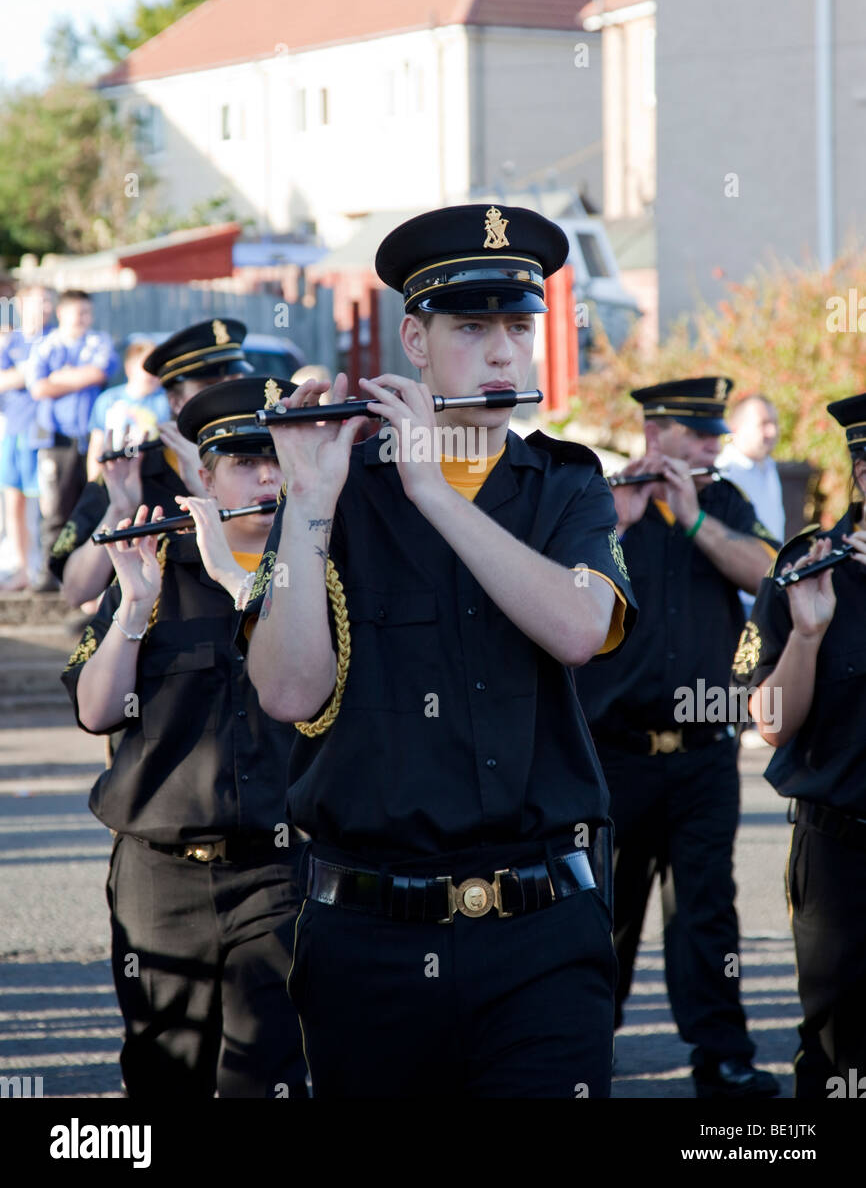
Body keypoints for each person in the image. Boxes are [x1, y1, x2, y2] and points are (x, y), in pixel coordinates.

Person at [242, 203, 637, 1100]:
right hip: (369, 941)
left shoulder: (569, 483)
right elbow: (286, 690)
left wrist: (435, 493)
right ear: (414, 341)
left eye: (517, 326)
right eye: (472, 328)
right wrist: (307, 504)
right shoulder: (334, 493)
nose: (503, 353)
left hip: (544, 935)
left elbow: (580, 629)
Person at [60, 375, 307, 1099]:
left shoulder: (319, 575)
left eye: (275, 456)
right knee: (164, 1072)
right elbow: (96, 711)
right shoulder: (153, 563)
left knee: (267, 1073)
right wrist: (134, 608)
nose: (265, 475)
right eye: (241, 459)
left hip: (280, 867)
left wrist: (245, 586)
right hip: (160, 873)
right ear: (204, 474)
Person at [575, 377, 781, 1099]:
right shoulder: (602, 496)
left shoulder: (720, 500)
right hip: (615, 753)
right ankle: (583, 1055)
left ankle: (721, 1056)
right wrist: (625, 521)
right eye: (699, 436)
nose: (712, 447)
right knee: (606, 914)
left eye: (716, 435)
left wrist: (693, 520)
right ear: (657, 433)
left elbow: (771, 576)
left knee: (707, 913)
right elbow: (565, 591)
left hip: (702, 752)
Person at [733, 391, 866, 1098]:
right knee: (835, 1054)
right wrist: (810, 634)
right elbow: (772, 722)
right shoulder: (807, 566)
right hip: (841, 851)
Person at [51, 318, 253, 609]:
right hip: (159, 646)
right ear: (175, 402)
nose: (226, 395)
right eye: (209, 385)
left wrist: (203, 487)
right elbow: (75, 592)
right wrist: (119, 509)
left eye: (234, 383)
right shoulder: (133, 468)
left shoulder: (269, 465)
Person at [26, 290, 118, 591]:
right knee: (54, 508)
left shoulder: (99, 341)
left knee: (91, 504)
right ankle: (51, 571)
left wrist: (60, 378)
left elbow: (97, 373)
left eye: (87, 313)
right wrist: (76, 377)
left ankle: (89, 575)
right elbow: (37, 388)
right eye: (78, 313)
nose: (83, 319)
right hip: (56, 438)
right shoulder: (45, 345)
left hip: (91, 437)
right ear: (62, 314)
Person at [0, 285, 55, 590]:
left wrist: (29, 378)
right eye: (35, 302)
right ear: (21, 306)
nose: (42, 307)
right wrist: (33, 376)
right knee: (14, 502)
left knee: (49, 505)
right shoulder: (12, 342)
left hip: (45, 433)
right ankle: (22, 569)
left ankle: (47, 569)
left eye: (46, 301)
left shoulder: (56, 339)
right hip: (13, 431)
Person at [716, 393, 785, 611]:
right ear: (736, 427)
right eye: (763, 424)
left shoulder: (770, 467)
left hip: (768, 591)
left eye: (774, 423)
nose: (772, 432)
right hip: (738, 597)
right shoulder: (724, 472)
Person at [86, 339, 171, 481]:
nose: (153, 373)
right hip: (114, 471)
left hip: (154, 475)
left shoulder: (166, 400)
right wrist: (94, 481)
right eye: (147, 366)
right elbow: (97, 444)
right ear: (129, 367)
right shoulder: (108, 399)